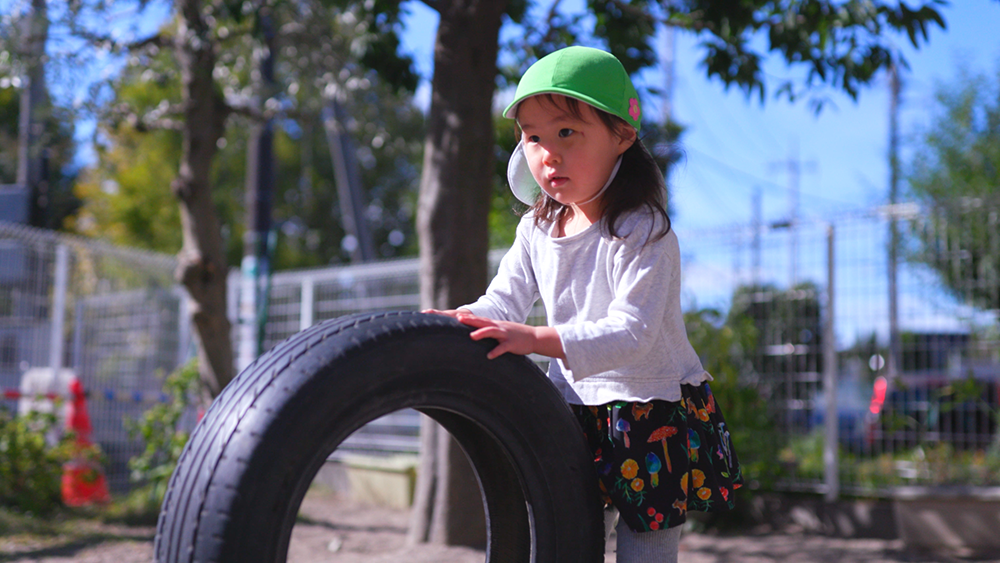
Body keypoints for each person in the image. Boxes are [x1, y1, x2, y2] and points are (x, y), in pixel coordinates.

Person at [426, 45, 743, 563]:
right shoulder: (537, 227)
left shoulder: (644, 230)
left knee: (645, 553)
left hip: (648, 412)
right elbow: (503, 300)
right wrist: (460, 322)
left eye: (566, 132)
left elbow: (631, 332)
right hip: (570, 410)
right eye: (533, 137)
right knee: (563, 540)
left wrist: (538, 340)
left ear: (621, 135)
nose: (547, 153)